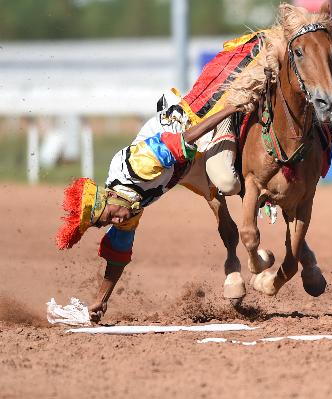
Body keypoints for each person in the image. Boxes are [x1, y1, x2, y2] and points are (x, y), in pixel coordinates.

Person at [56, 105, 238, 322]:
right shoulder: (124, 208)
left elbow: (185, 139)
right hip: (182, 167)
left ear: (107, 197)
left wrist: (230, 108)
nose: (116, 220)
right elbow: (117, 255)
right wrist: (101, 299)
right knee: (224, 188)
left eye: (110, 216)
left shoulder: (139, 165)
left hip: (192, 127)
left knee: (231, 182)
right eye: (108, 223)